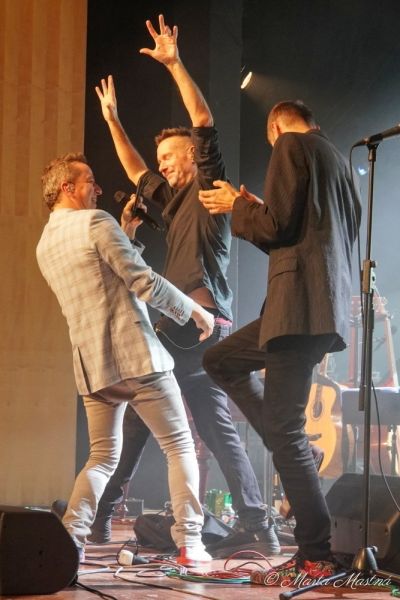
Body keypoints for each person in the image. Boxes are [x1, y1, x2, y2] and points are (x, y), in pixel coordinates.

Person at [93, 14, 280, 557]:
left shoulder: (207, 187)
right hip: (187, 329)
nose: (163, 167)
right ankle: (258, 525)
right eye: (162, 162)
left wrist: (174, 64)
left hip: (195, 324)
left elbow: (202, 118)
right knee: (188, 429)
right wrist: (112, 120)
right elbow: (135, 171)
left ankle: (101, 515)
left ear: (193, 160)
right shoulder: (172, 204)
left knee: (166, 421)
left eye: (171, 159)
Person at [199, 100, 361, 584]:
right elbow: (300, 229)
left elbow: (276, 226)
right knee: (222, 359)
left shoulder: (290, 144)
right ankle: (297, 450)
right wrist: (256, 207)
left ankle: (315, 553)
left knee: (284, 428)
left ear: (275, 126)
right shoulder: (337, 160)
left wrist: (238, 206)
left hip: (298, 307)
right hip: (317, 307)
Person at [36, 152, 216, 567]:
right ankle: (190, 543)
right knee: (179, 446)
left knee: (101, 457)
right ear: (66, 187)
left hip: (94, 366)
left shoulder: (45, 244)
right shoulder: (95, 223)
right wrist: (194, 311)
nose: (98, 188)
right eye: (90, 180)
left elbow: (104, 278)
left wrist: (126, 231)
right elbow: (141, 280)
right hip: (136, 356)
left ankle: (70, 541)